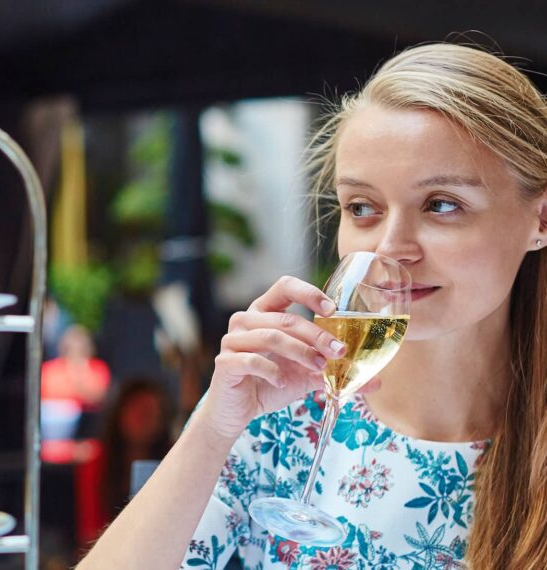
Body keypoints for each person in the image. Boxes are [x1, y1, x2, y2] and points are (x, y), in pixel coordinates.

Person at [77, 42, 547, 569]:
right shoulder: (278, 419)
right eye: (362, 208)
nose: (390, 247)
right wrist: (212, 427)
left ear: (540, 219)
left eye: (442, 205)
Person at [75, 377, 175, 547]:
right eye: (136, 412)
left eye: (148, 413)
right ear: (119, 415)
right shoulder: (96, 463)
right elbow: (89, 531)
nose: (141, 421)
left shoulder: (172, 462)